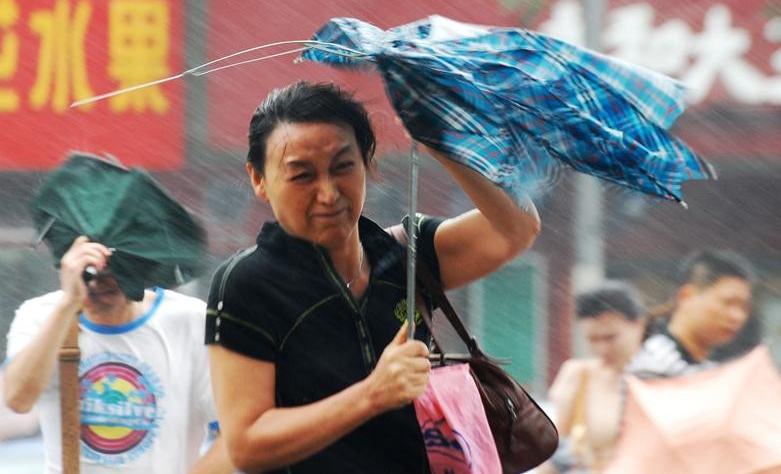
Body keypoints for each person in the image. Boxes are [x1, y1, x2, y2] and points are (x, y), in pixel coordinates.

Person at [205, 81, 541, 473]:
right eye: (302, 175)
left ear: (367, 162)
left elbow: (517, 228)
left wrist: (443, 143)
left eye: (343, 166)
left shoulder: (406, 255)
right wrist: (372, 394)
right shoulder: (246, 284)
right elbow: (247, 444)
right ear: (258, 179)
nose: (328, 193)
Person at [3, 236, 235, 473]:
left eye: (112, 270)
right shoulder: (41, 316)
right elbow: (18, 399)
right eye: (88, 273)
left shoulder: (192, 321)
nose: (95, 284)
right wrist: (67, 305)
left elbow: (232, 436)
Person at [542, 281, 648, 473]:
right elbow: (558, 450)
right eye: (592, 339)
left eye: (611, 337)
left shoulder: (662, 376)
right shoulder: (579, 376)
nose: (602, 348)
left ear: (639, 324)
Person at [627, 249, 754, 379]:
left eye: (744, 307)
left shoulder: (714, 370)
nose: (738, 316)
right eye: (727, 303)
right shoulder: (650, 364)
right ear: (686, 296)